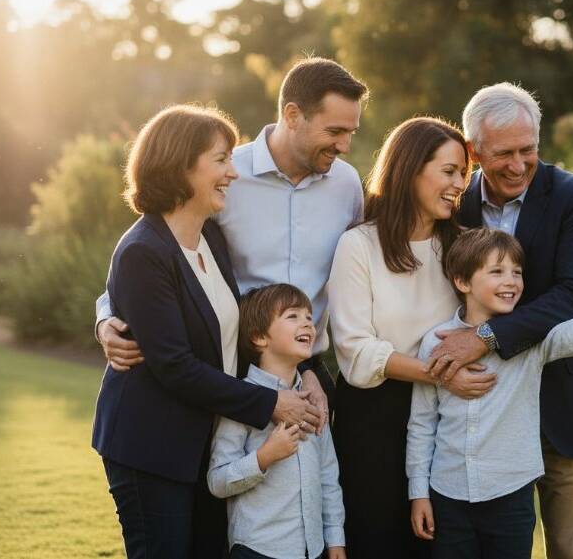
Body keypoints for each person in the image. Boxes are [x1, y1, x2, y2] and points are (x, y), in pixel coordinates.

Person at [91, 104, 319, 559]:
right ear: (180, 165)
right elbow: (174, 365)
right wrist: (272, 402)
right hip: (151, 447)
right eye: (221, 160)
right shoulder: (143, 250)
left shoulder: (210, 236)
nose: (232, 173)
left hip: (204, 442)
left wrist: (302, 370)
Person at [427, 83, 573, 559]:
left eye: (529, 149)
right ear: (474, 151)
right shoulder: (452, 204)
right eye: (504, 152)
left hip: (570, 406)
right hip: (482, 416)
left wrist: (484, 337)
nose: (519, 164)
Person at [96, 57, 370, 421]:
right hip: (230, 371)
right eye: (335, 131)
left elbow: (358, 274)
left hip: (308, 373)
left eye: (351, 132)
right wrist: (106, 318)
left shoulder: (347, 184)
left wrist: (308, 371)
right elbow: (152, 254)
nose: (345, 145)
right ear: (292, 115)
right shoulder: (223, 175)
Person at [407, 228, 573, 559]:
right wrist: (419, 493)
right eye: (497, 271)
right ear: (463, 281)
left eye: (517, 272)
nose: (512, 281)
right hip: (447, 495)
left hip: (511, 496)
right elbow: (422, 424)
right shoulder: (435, 342)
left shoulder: (531, 341)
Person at [327, 117, 498, 559]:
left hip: (446, 422)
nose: (460, 184)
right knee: (377, 541)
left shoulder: (463, 248)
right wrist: (440, 375)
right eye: (448, 171)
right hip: (372, 422)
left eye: (463, 173)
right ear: (409, 169)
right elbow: (355, 350)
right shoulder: (358, 246)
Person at [208, 284, 346, 559]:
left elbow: (329, 478)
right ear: (259, 336)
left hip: (313, 550)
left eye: (309, 316)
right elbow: (217, 481)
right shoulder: (243, 402)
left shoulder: (313, 401)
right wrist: (265, 456)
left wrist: (335, 540)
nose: (307, 323)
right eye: (293, 316)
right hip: (258, 549)